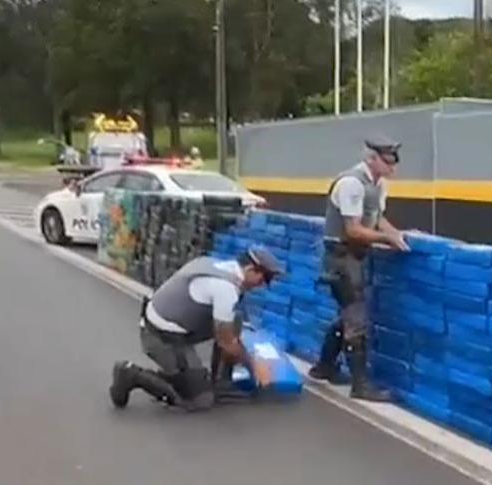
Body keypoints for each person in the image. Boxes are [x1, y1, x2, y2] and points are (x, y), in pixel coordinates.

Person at [109, 247, 284, 411]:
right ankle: (131, 374)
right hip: (161, 337)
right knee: (200, 399)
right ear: (250, 269)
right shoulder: (225, 288)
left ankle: (219, 381)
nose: (263, 285)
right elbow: (226, 342)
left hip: (168, 322)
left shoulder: (212, 264)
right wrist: (255, 367)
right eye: (265, 278)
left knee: (233, 319)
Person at [308, 135, 410, 402]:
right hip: (341, 258)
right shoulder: (352, 183)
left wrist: (395, 234)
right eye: (387, 162)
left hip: (353, 257)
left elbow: (377, 219)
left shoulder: (378, 186)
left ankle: (324, 366)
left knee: (347, 315)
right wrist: (386, 239)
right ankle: (360, 384)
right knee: (356, 319)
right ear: (372, 159)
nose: (392, 168)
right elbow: (353, 230)